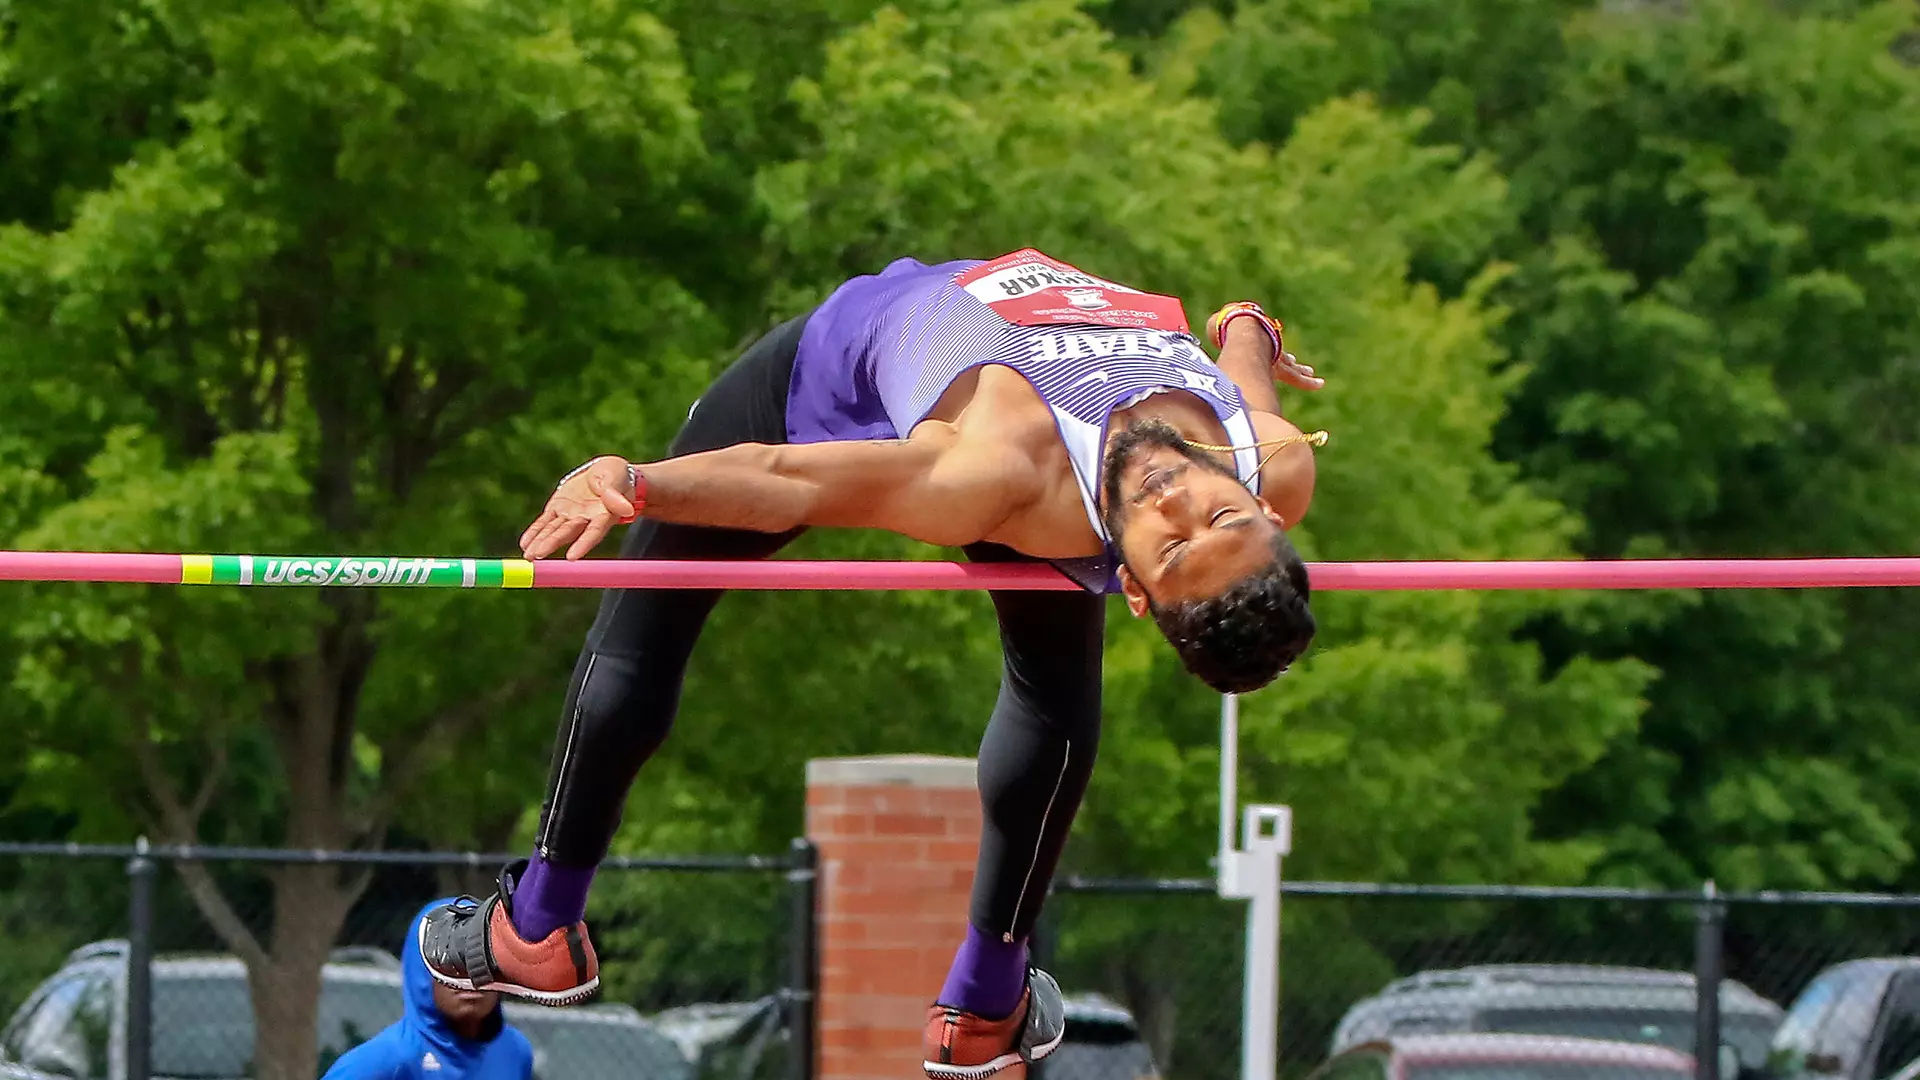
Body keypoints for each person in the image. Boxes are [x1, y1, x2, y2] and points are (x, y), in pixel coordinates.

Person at [419, 249, 1326, 1079]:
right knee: (1052, 689)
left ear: (1131, 585)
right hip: (998, 394)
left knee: (645, 612)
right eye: (1222, 517)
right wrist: (1248, 326)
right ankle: (985, 1007)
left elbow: (795, 478)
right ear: (1265, 511)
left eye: (1169, 552)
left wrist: (635, 479)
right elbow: (1244, 380)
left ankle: (534, 927)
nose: (1178, 506)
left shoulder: (997, 476)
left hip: (831, 385)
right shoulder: (1272, 462)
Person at [325, 899, 535, 1079]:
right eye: (448, 961)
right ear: (421, 974)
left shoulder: (514, 1052)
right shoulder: (382, 1062)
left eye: (483, 960)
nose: (469, 978)